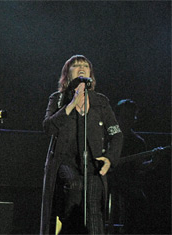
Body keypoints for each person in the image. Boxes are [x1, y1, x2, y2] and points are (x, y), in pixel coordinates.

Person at [40, 55, 123, 234]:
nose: (81, 68)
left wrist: (109, 159)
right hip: (65, 162)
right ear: (67, 75)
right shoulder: (58, 99)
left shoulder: (100, 102)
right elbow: (48, 128)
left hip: (93, 164)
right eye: (76, 65)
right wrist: (71, 105)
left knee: (93, 205)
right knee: (75, 185)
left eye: (85, 65)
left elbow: (116, 134)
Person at [108, 99, 148, 234]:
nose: (128, 120)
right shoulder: (107, 137)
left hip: (128, 184)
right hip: (105, 182)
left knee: (139, 201)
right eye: (125, 116)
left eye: (131, 116)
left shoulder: (138, 142)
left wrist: (152, 163)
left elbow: (140, 167)